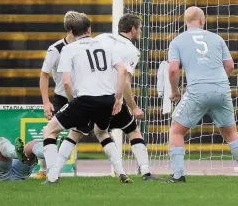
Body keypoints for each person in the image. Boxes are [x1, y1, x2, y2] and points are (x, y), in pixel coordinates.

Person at [55, 14, 162, 181]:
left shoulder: (102, 38)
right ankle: (146, 172)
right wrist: (133, 106)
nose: (140, 31)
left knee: (79, 133)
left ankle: (54, 173)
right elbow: (125, 81)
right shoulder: (132, 51)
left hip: (87, 95)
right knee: (132, 130)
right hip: (109, 98)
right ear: (133, 29)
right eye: (139, 28)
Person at [167, 6, 238, 183]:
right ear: (202, 21)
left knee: (176, 131)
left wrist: (175, 91)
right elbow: (230, 66)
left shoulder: (177, 41)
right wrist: (218, 81)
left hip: (197, 91)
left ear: (186, 21)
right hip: (222, 89)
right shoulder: (216, 38)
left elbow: (173, 70)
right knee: (230, 132)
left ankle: (178, 175)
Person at [41, 12, 130, 184]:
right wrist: (118, 98)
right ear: (90, 29)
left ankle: (52, 177)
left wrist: (73, 101)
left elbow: (66, 82)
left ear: (71, 32)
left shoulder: (68, 49)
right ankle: (121, 172)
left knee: (49, 131)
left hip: (84, 100)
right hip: (107, 99)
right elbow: (122, 70)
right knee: (101, 131)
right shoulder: (106, 45)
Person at [38, 11, 78, 178]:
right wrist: (46, 102)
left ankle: (53, 171)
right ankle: (45, 169)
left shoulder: (85, 47)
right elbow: (44, 74)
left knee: (82, 131)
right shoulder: (56, 49)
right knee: (52, 131)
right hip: (62, 97)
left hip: (82, 97)